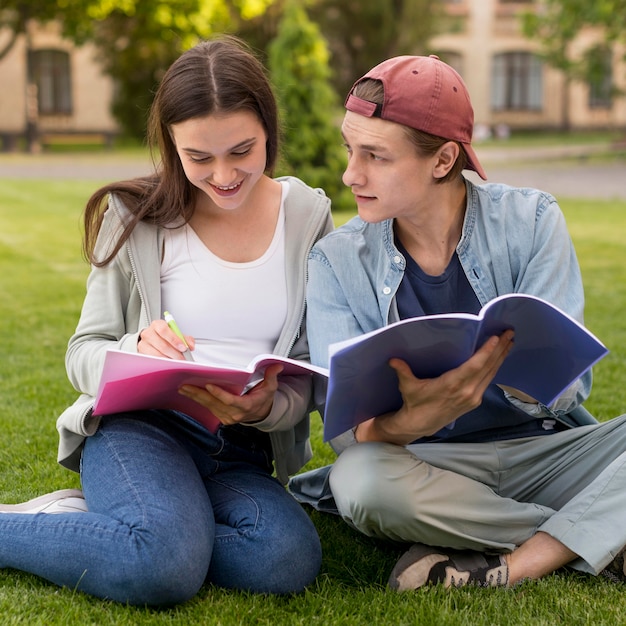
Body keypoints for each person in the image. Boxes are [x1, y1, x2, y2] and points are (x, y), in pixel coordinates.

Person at [0, 35, 332, 605]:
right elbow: (83, 352)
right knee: (162, 570)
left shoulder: (306, 218)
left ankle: (129, 526)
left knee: (285, 560)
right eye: (198, 158)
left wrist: (269, 407)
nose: (224, 175)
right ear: (171, 145)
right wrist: (133, 347)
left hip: (241, 448)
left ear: (269, 133)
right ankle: (141, 533)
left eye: (242, 151)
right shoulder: (138, 218)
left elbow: (306, 371)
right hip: (141, 432)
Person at [290, 54, 626, 590]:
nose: (351, 173)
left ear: (444, 159)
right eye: (351, 150)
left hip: (546, 451)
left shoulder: (533, 221)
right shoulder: (335, 260)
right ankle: (591, 537)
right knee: (360, 483)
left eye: (375, 156)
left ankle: (512, 563)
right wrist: (417, 419)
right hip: (424, 467)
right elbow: (351, 435)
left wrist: (519, 380)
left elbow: (567, 393)